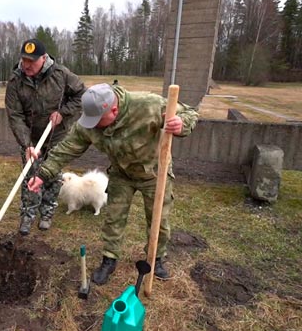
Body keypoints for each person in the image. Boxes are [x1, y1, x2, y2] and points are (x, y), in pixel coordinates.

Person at [27, 83, 199, 284]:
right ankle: (109, 259)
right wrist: (43, 174)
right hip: (121, 173)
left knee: (158, 221)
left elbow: (190, 113)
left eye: (98, 121)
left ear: (114, 110)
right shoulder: (89, 122)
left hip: (154, 174)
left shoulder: (148, 105)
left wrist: (181, 124)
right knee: (113, 219)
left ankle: (156, 258)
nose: (93, 126)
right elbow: (68, 147)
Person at [5, 38, 86, 235]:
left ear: (44, 58)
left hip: (56, 134)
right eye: (24, 60)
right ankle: (28, 215)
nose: (26, 65)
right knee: (30, 175)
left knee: (52, 174)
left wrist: (64, 113)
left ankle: (47, 212)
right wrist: (26, 144)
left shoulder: (61, 74)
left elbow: (82, 95)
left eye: (31, 61)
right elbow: (15, 115)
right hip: (30, 136)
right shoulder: (16, 81)